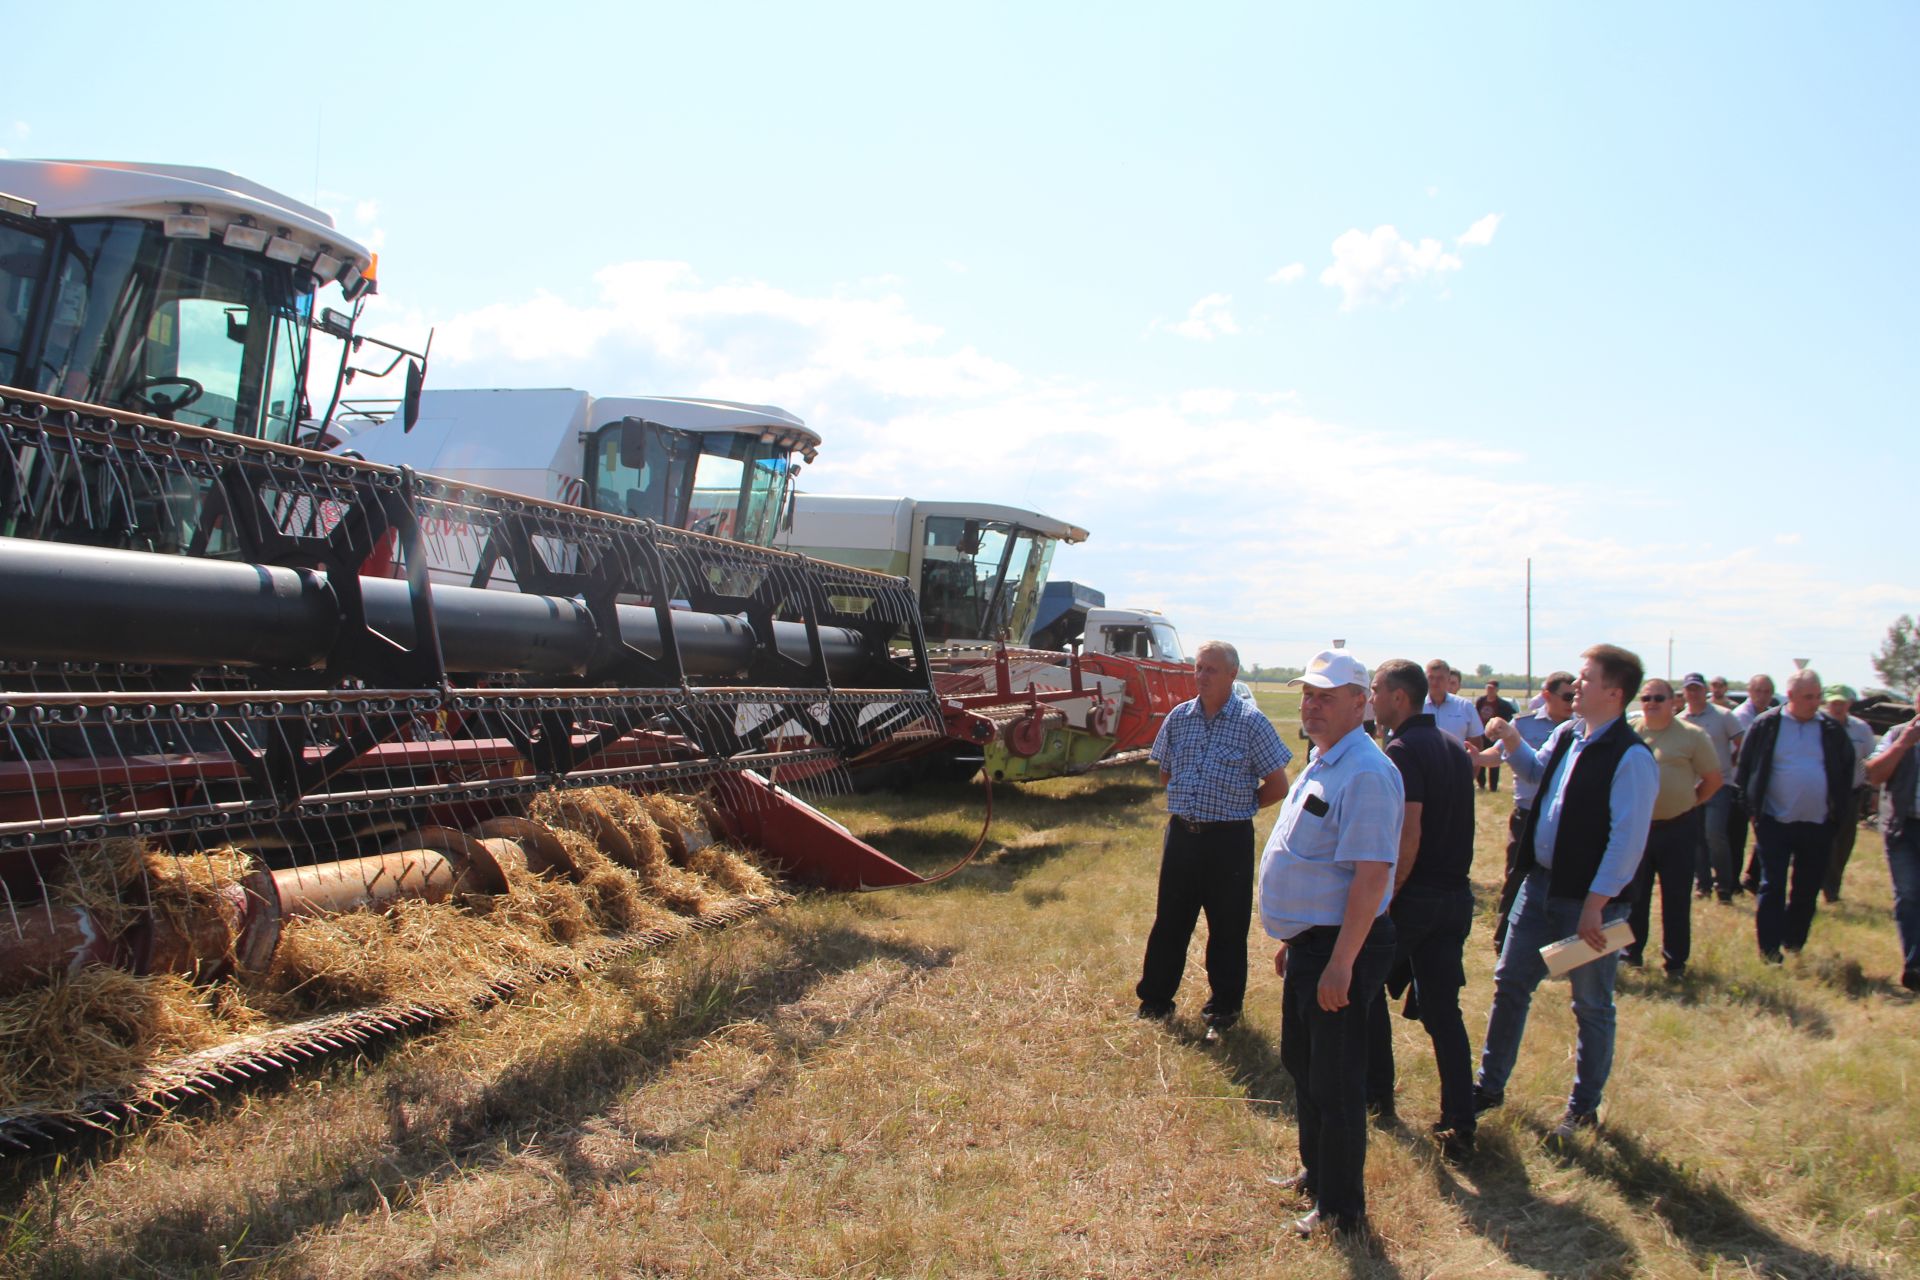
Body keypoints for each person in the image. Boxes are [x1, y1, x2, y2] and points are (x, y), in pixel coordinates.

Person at [1474, 644, 1657, 1142]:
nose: (1576, 687)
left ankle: (1583, 1110)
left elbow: (1627, 841)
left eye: (1586, 679)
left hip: (1589, 904)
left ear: (1614, 693)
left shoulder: (1631, 759)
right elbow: (1534, 773)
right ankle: (1488, 1089)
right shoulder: (1568, 734)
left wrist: (1596, 906)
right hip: (1541, 888)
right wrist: (1511, 738)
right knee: (1510, 983)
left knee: (1591, 1005)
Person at [1259, 650, 1400, 1239]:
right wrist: (1296, 939)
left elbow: (1371, 877)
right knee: (1304, 1065)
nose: (1310, 705)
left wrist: (1340, 962)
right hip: (1313, 945)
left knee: (1338, 1084)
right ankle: (1318, 1177)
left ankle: (1343, 1210)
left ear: (1361, 702)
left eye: (1325, 696)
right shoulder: (1325, 761)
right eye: (1307, 694)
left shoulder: (1365, 772)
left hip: (1342, 950)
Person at [1138, 641, 1292, 1035]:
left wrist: (1238, 806)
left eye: (1211, 670)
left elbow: (1277, 784)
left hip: (1228, 841)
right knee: (1170, 921)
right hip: (1183, 837)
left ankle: (1223, 1007)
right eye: (1199, 668)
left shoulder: (1251, 722)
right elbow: (1166, 773)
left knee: (1227, 926)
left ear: (1232, 675)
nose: (1202, 677)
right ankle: (1155, 1000)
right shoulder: (1179, 717)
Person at [1364, 659, 1478, 1161]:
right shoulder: (1454, 747)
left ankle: (1376, 1097)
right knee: (1442, 1012)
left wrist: (1387, 898)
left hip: (1418, 898)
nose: (1371, 700)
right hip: (1456, 897)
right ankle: (1460, 1119)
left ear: (1399, 699)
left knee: (1362, 987)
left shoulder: (1403, 749)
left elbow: (1408, 833)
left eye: (1375, 691)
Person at [1733, 669, 1855, 963]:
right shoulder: (1767, 725)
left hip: (1819, 823)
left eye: (1818, 696)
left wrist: (1839, 813)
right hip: (1774, 821)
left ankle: (1794, 941)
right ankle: (1770, 950)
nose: (1816, 703)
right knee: (1772, 885)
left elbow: (1845, 769)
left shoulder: (1830, 730)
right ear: (1790, 697)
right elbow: (1746, 770)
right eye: (1808, 697)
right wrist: (1753, 812)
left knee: (1806, 887)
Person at [1622, 678, 1721, 977]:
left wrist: (1689, 803)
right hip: (1639, 828)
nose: (1651, 703)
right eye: (1647, 698)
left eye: (1659, 698)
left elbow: (1713, 780)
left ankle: (1675, 961)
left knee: (1676, 897)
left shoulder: (1692, 736)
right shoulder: (1630, 733)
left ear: (1673, 702)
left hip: (1678, 828)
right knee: (1634, 895)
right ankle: (1631, 953)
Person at [1472, 670, 1575, 952]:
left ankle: (1557, 948)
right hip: (1527, 816)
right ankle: (1504, 940)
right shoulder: (1523, 725)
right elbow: (1500, 753)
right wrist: (1479, 758)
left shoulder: (1581, 729)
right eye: (1567, 696)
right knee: (1516, 878)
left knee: (1562, 886)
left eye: (1575, 696)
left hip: (1564, 819)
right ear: (1547, 696)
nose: (1572, 702)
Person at [1863, 693, 1920, 991]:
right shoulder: (1897, 734)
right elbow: (1872, 774)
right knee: (1909, 893)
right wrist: (1903, 744)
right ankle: (1914, 964)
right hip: (1903, 827)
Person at [1678, 673, 1744, 902]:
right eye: (1689, 689)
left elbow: (1741, 742)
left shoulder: (1724, 716)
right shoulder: (1679, 719)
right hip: (1690, 785)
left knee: (1715, 834)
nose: (1693, 693)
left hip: (1720, 783)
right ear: (1684, 692)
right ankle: (1703, 884)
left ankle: (1724, 885)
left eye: (1697, 688)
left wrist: (1732, 762)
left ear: (1704, 690)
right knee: (1695, 837)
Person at [1819, 685, 1878, 903]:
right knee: (1817, 840)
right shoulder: (1817, 725)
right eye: (1833, 702)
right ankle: (1814, 882)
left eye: (1841, 703)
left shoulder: (1861, 729)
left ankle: (1832, 888)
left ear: (1849, 704)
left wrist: (1873, 791)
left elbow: (1869, 762)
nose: (1837, 707)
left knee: (1843, 842)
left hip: (1850, 794)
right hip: (1820, 793)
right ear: (1826, 702)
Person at [1731, 674, 1778, 892]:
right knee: (1737, 835)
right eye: (1758, 691)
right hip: (1741, 782)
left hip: (1764, 783)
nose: (1762, 696)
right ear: (1750, 692)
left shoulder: (1774, 716)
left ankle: (1753, 876)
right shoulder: (1741, 716)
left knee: (1766, 832)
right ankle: (1733, 879)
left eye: (1767, 691)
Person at [1422, 659, 1484, 746]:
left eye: (1440, 678)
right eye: (1431, 677)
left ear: (1448, 679)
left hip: (1456, 759)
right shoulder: (1415, 707)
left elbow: (1476, 742)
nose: (1435, 682)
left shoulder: (1464, 706)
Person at [1474, 680, 1518, 793]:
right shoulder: (1481, 701)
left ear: (1497, 690)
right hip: (1481, 734)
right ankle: (1481, 784)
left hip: (1495, 736)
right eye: (1488, 688)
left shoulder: (1503, 704)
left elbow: (1513, 716)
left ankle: (1493, 787)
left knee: (1494, 759)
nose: (1490, 690)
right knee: (1480, 758)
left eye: (1492, 688)